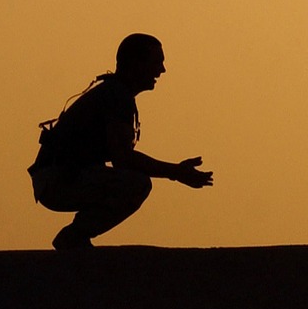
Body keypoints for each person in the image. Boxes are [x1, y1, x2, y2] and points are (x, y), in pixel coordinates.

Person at [29, 33, 213, 249]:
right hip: (58, 180)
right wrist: (176, 172)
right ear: (136, 63)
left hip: (59, 178)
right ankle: (74, 236)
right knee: (136, 185)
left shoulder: (115, 94)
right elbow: (123, 159)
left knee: (131, 182)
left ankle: (76, 238)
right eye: (157, 62)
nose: (162, 70)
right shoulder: (117, 97)